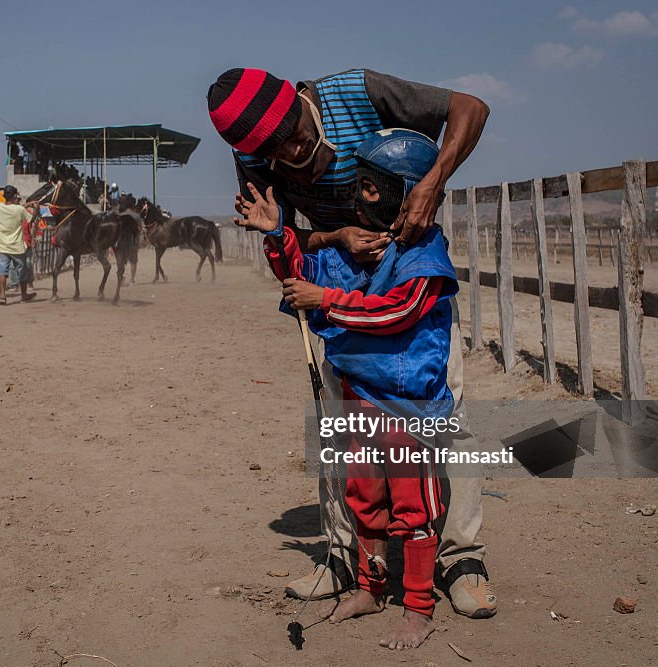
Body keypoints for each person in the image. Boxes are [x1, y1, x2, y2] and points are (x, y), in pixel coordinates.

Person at [207, 67, 495, 619]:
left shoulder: (355, 91)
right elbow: (284, 233)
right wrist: (335, 236)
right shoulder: (254, 157)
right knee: (343, 430)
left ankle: (462, 559)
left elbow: (471, 108)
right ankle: (349, 558)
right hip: (335, 297)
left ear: (297, 99)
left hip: (409, 285)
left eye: (294, 132)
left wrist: (432, 181)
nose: (292, 151)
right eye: (275, 151)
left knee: (441, 420)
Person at [252, 129, 458, 649]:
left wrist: (327, 298)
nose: (361, 196)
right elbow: (299, 274)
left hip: (408, 408)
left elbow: (400, 310)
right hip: (359, 399)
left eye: (373, 187)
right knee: (364, 496)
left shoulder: (425, 252)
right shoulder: (355, 241)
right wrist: (278, 235)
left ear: (410, 190)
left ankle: (418, 608)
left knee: (415, 507)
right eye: (360, 185)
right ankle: (369, 587)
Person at [0, 185, 35, 305]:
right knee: (21, 270)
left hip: (1, 245)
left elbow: (15, 208)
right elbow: (30, 219)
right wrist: (35, 209)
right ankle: (24, 295)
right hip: (16, 246)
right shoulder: (20, 210)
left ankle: (2, 296)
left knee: (2, 271)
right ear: (15, 196)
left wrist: (25, 205)